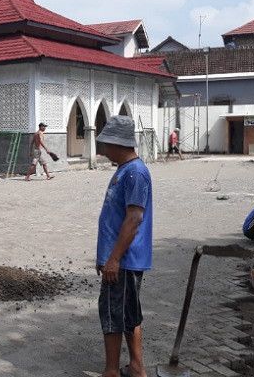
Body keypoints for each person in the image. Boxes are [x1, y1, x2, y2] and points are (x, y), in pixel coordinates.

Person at [94, 116, 152, 377]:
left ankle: (111, 371)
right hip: (120, 259)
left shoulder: (135, 173)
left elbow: (134, 218)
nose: (104, 151)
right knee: (128, 313)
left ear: (118, 143)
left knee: (113, 313)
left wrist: (114, 258)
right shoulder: (124, 170)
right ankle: (136, 367)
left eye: (106, 144)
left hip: (124, 261)